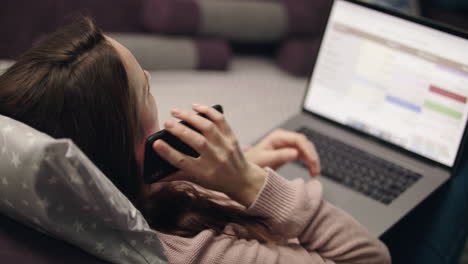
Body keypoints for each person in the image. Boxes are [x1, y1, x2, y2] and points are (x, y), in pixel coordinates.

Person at [0, 17, 390, 264]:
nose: (151, 77)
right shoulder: (203, 255)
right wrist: (251, 183)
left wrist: (238, 163)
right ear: (132, 151)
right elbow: (369, 256)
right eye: (145, 90)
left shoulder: (72, 203)